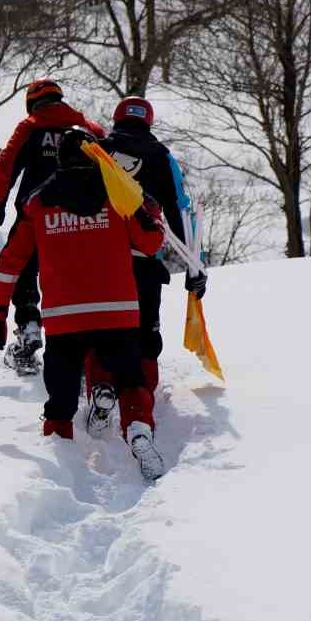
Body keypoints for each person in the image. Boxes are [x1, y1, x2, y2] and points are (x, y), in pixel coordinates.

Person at [0, 127, 168, 481]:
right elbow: (150, 243)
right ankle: (139, 429)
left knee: (61, 403)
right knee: (131, 381)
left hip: (64, 319)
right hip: (118, 314)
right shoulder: (118, 196)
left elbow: (10, 263)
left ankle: (60, 474)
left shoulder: (37, 202)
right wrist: (150, 212)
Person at [82, 96, 205, 435]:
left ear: (117, 119)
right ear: (148, 122)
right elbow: (181, 212)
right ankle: (139, 406)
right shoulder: (163, 158)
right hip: (144, 265)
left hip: (100, 265)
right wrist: (196, 267)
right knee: (146, 336)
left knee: (101, 333)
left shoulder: (97, 151)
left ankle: (101, 386)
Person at [0, 79, 105, 373]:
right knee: (75, 280)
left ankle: (28, 328)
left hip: (35, 216)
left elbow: (6, 165)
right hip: (85, 220)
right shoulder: (89, 129)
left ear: (32, 102)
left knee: (23, 269)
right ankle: (84, 348)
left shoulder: (30, 127)